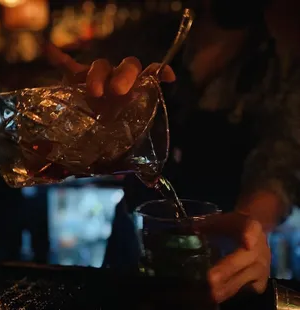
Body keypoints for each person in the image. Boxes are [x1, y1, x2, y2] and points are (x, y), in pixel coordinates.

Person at [44, 0, 300, 303]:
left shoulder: (280, 63)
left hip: (217, 257)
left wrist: (244, 229)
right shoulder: (147, 38)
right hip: (132, 240)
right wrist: (76, 107)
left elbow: (278, 166)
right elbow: (62, 73)